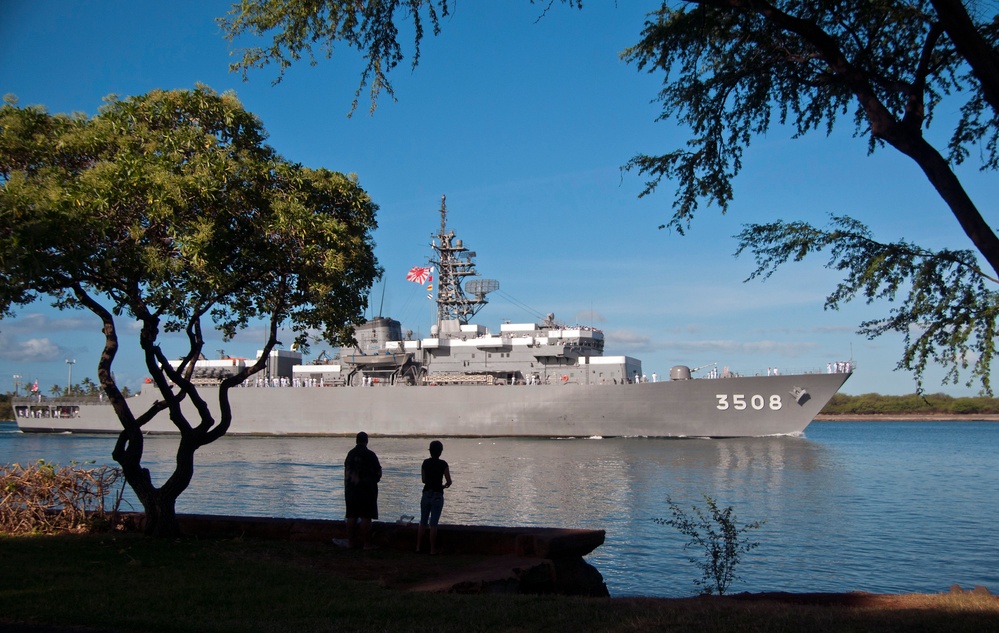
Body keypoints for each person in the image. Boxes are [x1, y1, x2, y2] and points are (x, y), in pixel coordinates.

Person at [343, 431, 382, 550]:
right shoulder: (371, 455)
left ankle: (350, 543)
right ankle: (367, 544)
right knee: (366, 517)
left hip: (351, 490)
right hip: (367, 490)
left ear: (356, 441)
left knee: (351, 515)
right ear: (367, 441)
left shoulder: (350, 454)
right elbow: (378, 473)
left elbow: (346, 472)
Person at [416, 440, 452, 555]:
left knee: (423, 521)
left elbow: (424, 480)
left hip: (426, 493)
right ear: (440, 452)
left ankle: (418, 547)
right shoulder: (443, 464)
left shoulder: (425, 463)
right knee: (434, 524)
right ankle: (432, 549)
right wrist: (444, 486)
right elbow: (449, 481)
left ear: (430, 451)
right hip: (437, 494)